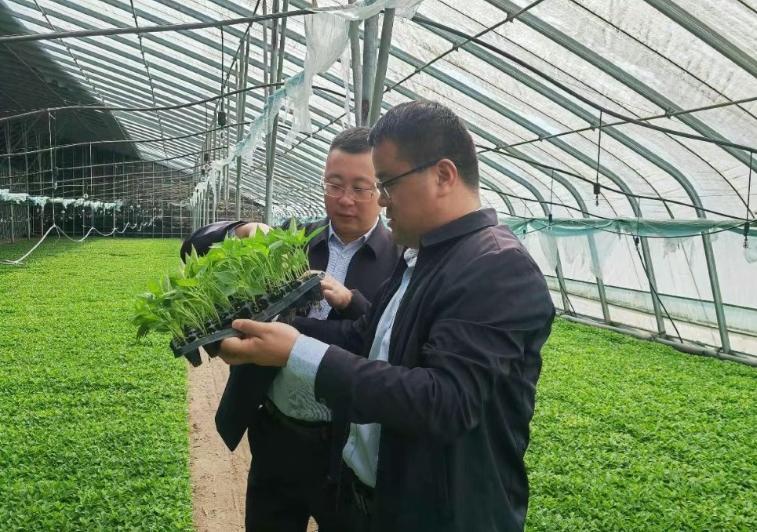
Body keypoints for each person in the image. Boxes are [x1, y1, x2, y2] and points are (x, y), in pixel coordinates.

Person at [217, 101, 555, 532]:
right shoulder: (421, 255)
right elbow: (366, 337)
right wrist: (275, 334)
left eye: (387, 183)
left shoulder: (496, 266)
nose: (380, 199)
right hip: (372, 503)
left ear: (443, 175)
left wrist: (298, 352)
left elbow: (444, 400)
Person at [214, 127, 401, 532]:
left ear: (382, 190)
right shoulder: (291, 240)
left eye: (360, 188)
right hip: (276, 434)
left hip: (344, 450)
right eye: (334, 185)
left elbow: (390, 344)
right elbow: (195, 249)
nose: (345, 199)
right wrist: (242, 230)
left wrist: (351, 302)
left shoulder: (399, 259)